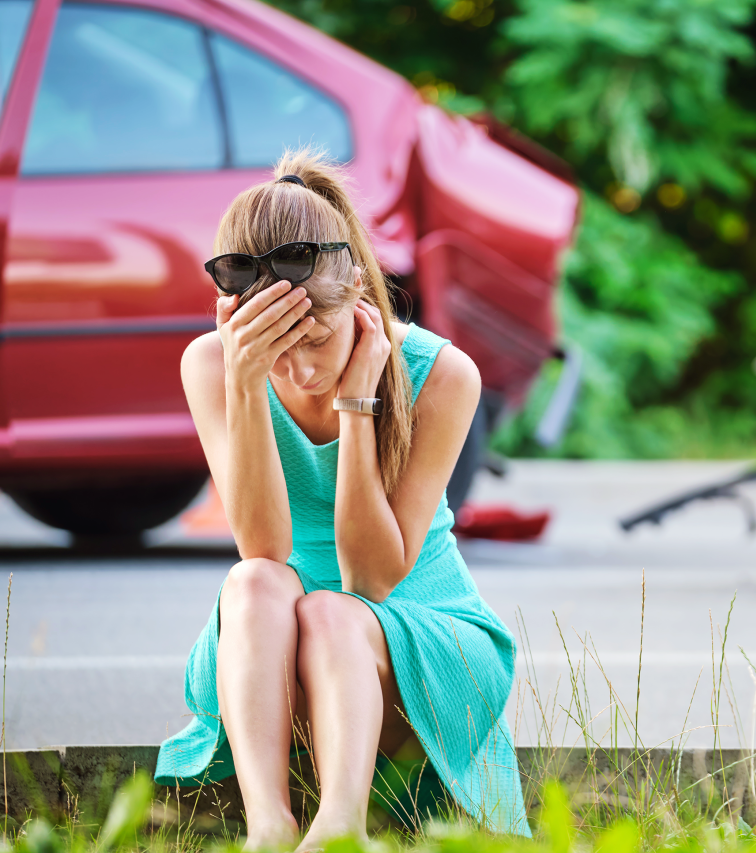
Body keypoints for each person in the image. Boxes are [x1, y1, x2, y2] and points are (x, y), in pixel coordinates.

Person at [153, 151, 530, 848]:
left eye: (315, 338)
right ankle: (268, 825)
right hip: (273, 643)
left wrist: (359, 405)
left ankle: (339, 829)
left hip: (416, 634)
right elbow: (263, 546)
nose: (297, 367)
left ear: (356, 287)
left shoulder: (443, 375)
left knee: (334, 611)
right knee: (254, 581)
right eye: (275, 347)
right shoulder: (214, 364)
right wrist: (245, 382)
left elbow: (371, 580)